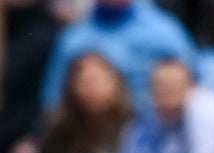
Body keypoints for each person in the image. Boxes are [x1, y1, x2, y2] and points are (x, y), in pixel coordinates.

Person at [40, 0, 198, 116]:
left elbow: (197, 83)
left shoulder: (164, 31)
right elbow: (52, 101)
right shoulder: (73, 39)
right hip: (92, 134)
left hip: (152, 135)